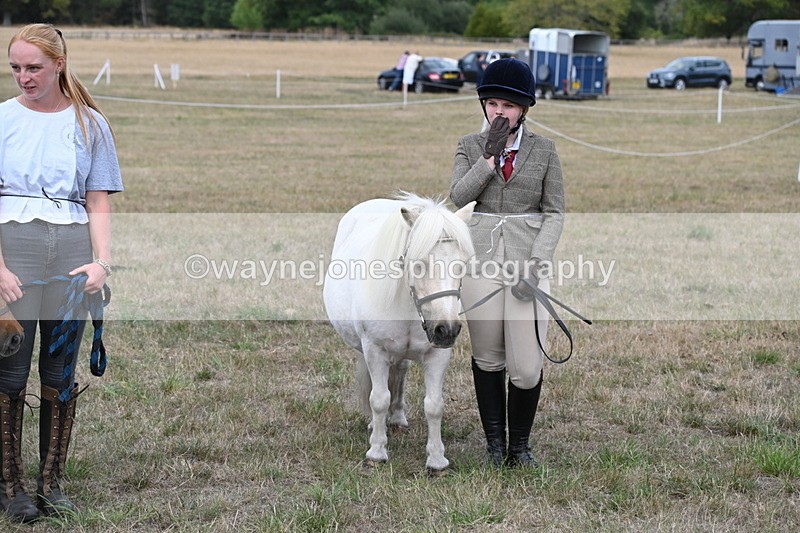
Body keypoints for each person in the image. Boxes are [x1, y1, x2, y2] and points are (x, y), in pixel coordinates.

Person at [0, 23, 123, 521]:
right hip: (15, 250)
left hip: (71, 254)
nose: (24, 77)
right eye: (15, 68)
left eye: (33, 67)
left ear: (58, 65)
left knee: (58, 372)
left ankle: (51, 482)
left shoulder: (91, 124)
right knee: (9, 370)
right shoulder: (2, 119)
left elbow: (97, 200)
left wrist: (100, 262)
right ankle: (10, 485)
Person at [450, 58, 564, 468]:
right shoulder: (468, 145)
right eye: (493, 103)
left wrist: (537, 263)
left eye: (509, 106)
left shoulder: (545, 150)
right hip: (480, 264)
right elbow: (458, 198)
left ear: (523, 110)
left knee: (527, 366)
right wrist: (488, 159)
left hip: (525, 266)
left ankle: (521, 446)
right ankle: (496, 447)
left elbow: (554, 213)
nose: (499, 112)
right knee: (487, 357)